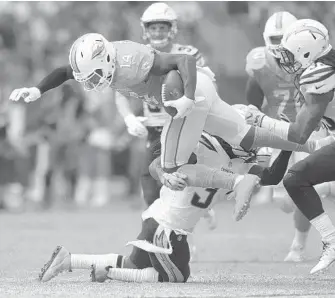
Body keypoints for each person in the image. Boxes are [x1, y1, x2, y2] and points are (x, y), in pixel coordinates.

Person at [9, 32, 332, 221]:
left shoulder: (130, 61)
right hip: (199, 92)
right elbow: (65, 72)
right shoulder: (102, 57)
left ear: (107, 61)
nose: (92, 83)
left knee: (171, 166)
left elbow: (184, 61)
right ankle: (314, 144)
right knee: (247, 134)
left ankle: (238, 183)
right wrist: (36, 89)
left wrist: (187, 98)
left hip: (188, 96)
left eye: (94, 76)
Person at [38, 115, 295, 283]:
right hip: (168, 229)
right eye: (250, 137)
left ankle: (69, 259)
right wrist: (164, 171)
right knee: (177, 277)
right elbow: (157, 160)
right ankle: (110, 274)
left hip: (157, 219)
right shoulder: (200, 146)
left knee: (133, 263)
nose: (253, 145)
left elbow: (272, 177)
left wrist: (286, 146)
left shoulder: (239, 165)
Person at [244, 19, 335, 274]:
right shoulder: (326, 64)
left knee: (296, 179)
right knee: (295, 179)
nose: (286, 59)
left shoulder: (318, 74)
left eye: (290, 52)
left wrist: (261, 120)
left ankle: (330, 240)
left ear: (306, 51)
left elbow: (298, 133)